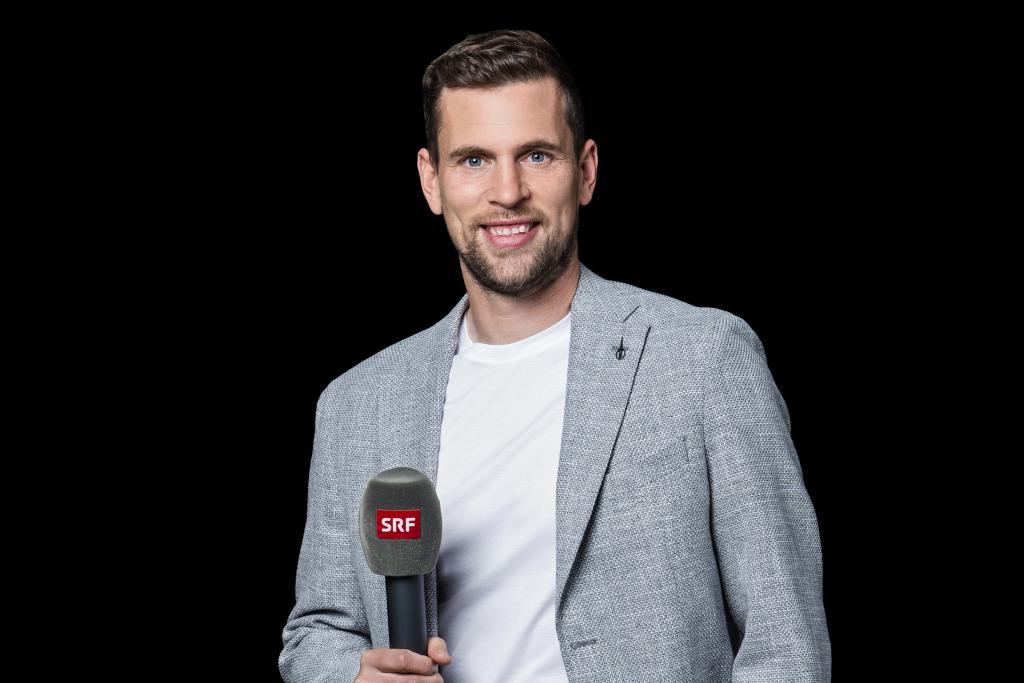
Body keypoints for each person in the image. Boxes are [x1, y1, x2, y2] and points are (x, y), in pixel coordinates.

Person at [279, 28, 831, 683]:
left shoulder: (703, 357)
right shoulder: (356, 404)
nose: (507, 191)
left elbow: (786, 642)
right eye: (474, 160)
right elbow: (316, 632)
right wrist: (353, 673)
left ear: (586, 170)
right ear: (431, 181)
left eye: (536, 155)